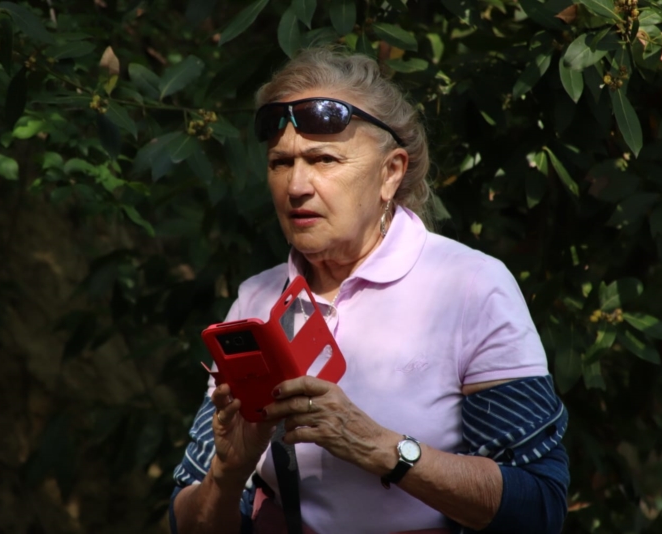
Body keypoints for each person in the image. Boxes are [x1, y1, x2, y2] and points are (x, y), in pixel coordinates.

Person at [168, 47, 569, 534]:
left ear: (390, 172)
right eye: (280, 162)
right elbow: (188, 521)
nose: (296, 185)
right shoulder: (257, 301)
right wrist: (227, 475)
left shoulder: (469, 287)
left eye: (324, 159)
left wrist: (382, 449)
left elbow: (539, 507)